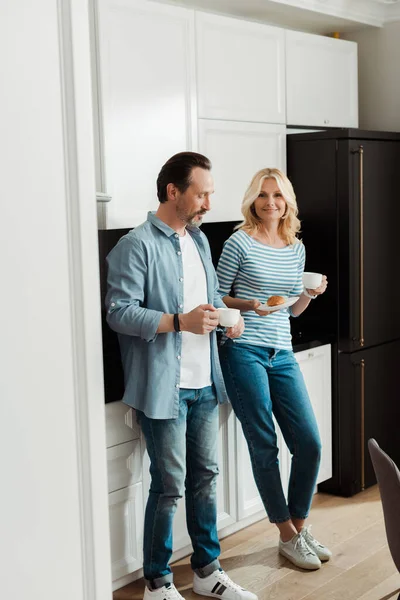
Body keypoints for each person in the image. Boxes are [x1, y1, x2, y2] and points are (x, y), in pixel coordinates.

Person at [105, 152, 257, 600]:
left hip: (205, 381)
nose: (209, 202)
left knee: (206, 477)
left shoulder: (199, 241)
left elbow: (204, 302)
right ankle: (158, 582)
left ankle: (208, 572)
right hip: (162, 388)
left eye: (210, 193)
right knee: (169, 485)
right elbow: (118, 313)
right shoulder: (135, 245)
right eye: (202, 193)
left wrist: (229, 317)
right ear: (174, 192)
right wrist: (178, 321)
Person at [217, 168, 331, 571]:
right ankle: (286, 534)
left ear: (287, 202)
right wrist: (251, 305)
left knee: (310, 443)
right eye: (263, 195)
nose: (270, 203)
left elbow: (292, 311)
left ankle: (297, 530)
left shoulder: (294, 247)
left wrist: (308, 295)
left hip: (281, 351)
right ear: (253, 200)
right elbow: (217, 295)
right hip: (242, 349)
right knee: (264, 444)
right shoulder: (239, 242)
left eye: (278, 196)